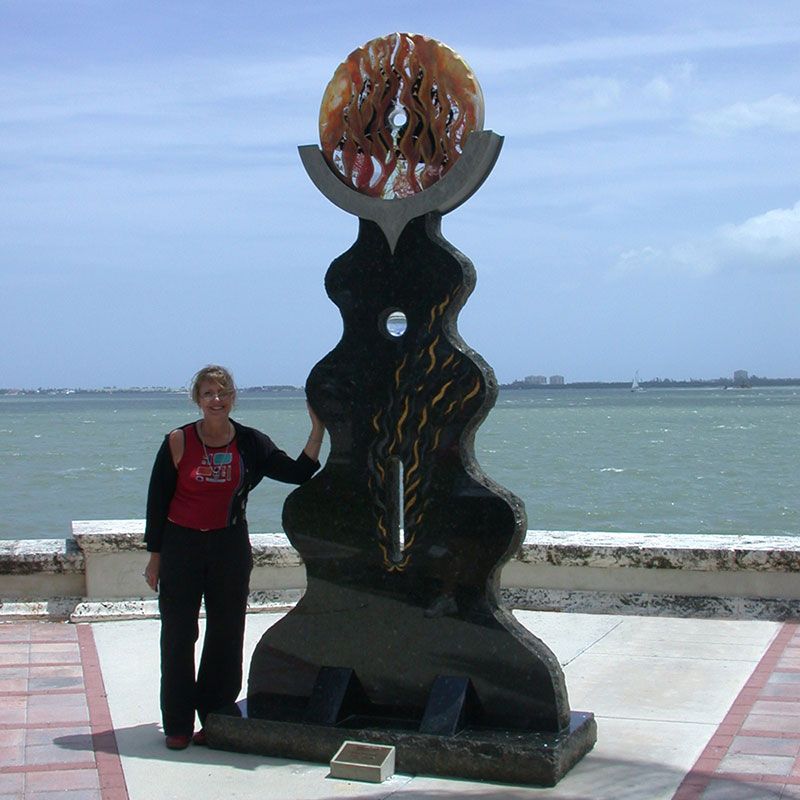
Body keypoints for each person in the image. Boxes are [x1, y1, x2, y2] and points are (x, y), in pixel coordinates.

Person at [143, 365, 324, 750]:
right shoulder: (178, 441)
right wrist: (155, 557)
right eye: (208, 393)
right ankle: (176, 723)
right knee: (178, 635)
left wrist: (317, 429)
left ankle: (216, 718)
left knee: (226, 634)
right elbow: (157, 503)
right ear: (198, 399)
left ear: (232, 398)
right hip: (180, 547)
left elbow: (297, 473)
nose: (216, 400)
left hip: (229, 547)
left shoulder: (250, 443)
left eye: (222, 393)